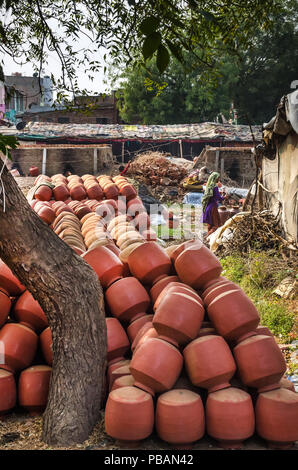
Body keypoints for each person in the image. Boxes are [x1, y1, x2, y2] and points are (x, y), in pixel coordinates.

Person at [202, 172, 226, 236]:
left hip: (207, 207)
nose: (219, 179)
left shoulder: (209, 186)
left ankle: (208, 237)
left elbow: (213, 195)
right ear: (215, 178)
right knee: (216, 225)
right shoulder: (215, 187)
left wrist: (219, 193)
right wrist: (224, 197)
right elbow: (219, 198)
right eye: (218, 177)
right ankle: (208, 237)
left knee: (210, 225)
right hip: (213, 207)